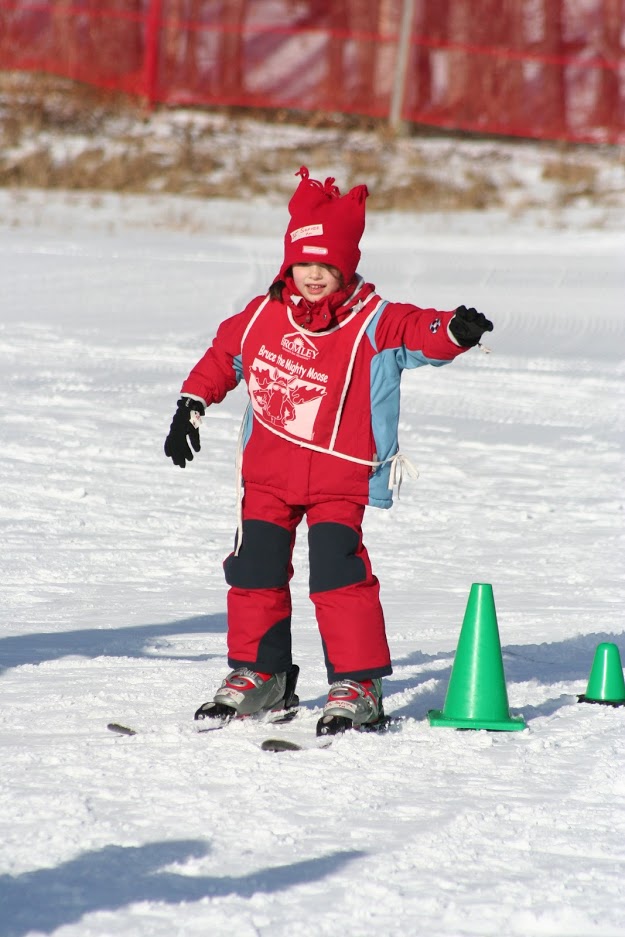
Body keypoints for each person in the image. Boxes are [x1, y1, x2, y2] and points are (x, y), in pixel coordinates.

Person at [164, 167, 493, 736]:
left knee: (338, 577)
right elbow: (224, 357)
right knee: (254, 573)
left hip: (340, 477)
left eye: (327, 266)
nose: (315, 276)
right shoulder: (263, 316)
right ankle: (260, 674)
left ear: (346, 266)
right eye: (304, 264)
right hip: (267, 475)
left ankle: (359, 683)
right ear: (288, 264)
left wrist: (454, 331)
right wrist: (190, 403)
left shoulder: (372, 318)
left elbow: (421, 331)